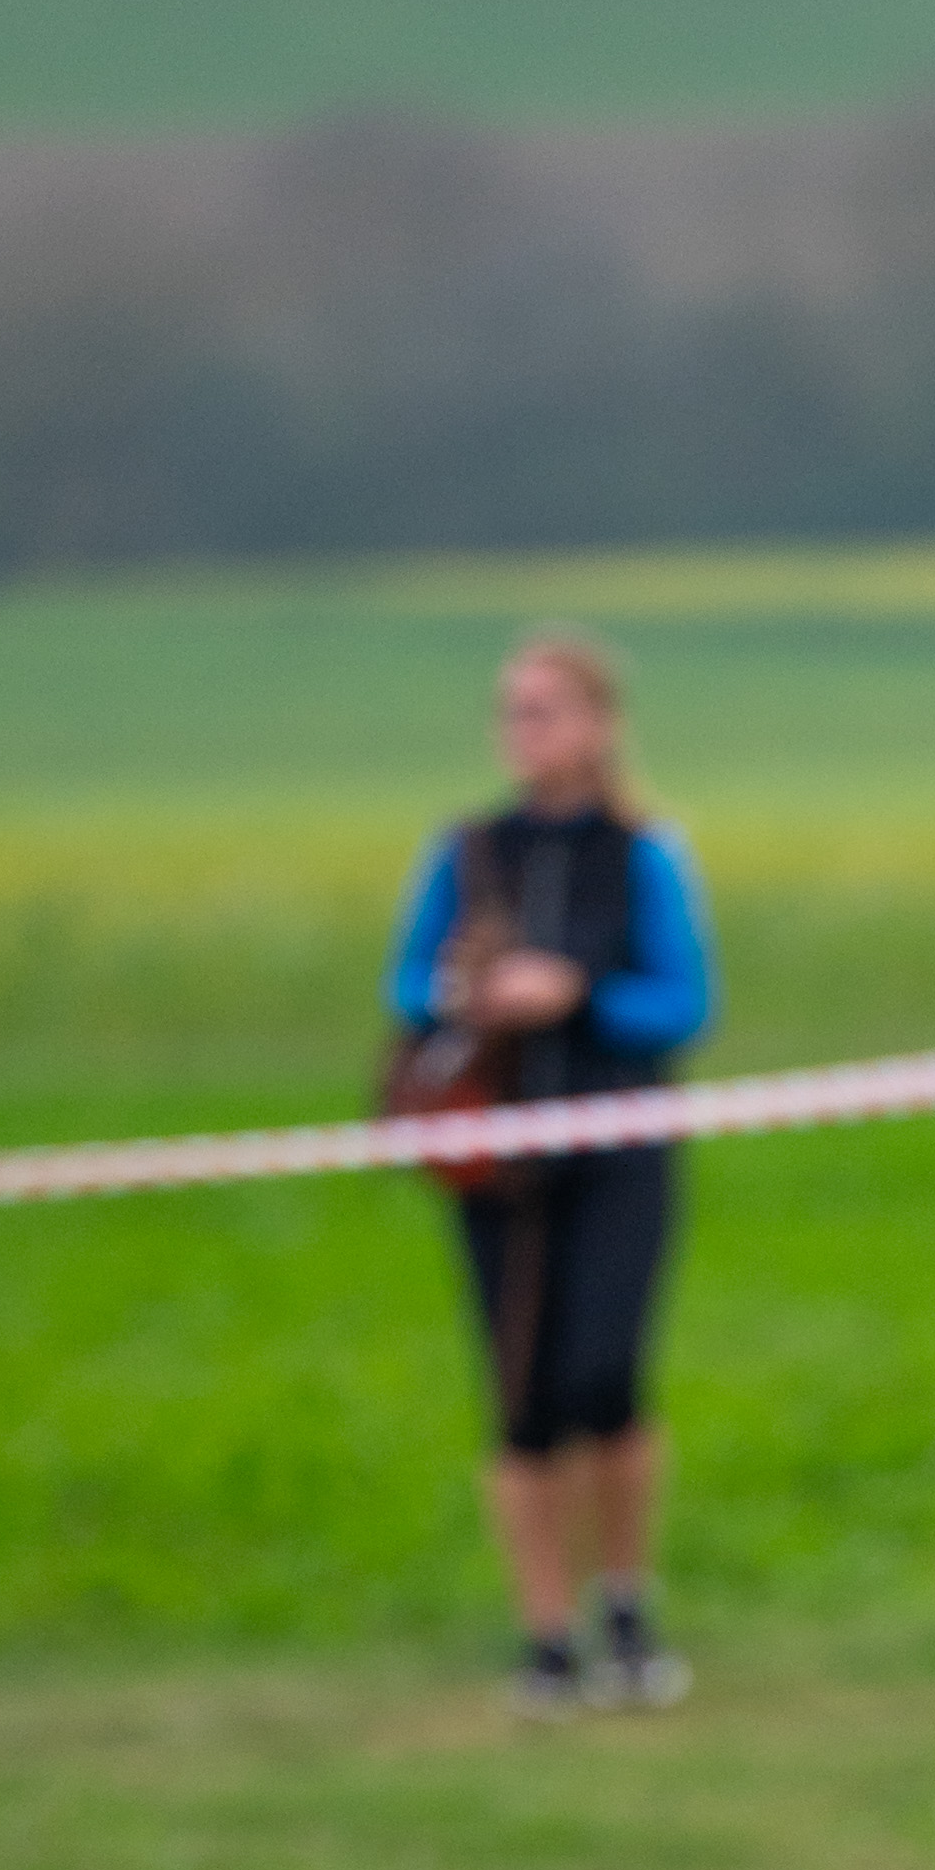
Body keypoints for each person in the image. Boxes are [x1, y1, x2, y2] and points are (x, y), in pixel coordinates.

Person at [385, 630, 716, 1716]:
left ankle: (625, 1605)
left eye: (544, 709)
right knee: (522, 1398)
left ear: (598, 724)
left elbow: (685, 1001)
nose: (523, 730)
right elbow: (406, 985)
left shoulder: (644, 852)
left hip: (620, 1149)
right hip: (500, 1162)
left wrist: (577, 995)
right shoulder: (468, 852)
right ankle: (546, 1634)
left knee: (604, 1380)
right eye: (511, 711)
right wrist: (473, 994)